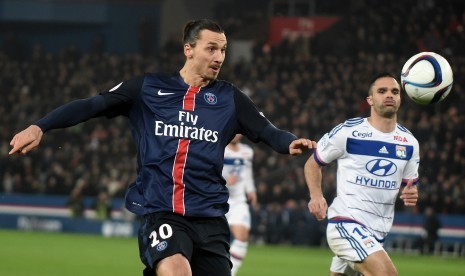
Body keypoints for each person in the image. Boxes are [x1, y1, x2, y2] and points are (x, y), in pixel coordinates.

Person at [9, 19, 316, 276]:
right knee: (176, 271)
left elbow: (267, 131)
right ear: (188, 49)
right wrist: (40, 126)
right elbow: (93, 105)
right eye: (211, 48)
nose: (219, 57)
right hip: (163, 211)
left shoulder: (230, 98)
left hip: (210, 218)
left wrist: (290, 142)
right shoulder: (148, 88)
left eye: (223, 50)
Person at [304, 73, 420, 276]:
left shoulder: (409, 142)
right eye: (382, 91)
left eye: (394, 91)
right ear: (370, 100)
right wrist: (316, 195)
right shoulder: (349, 132)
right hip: (346, 223)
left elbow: (409, 185)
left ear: (401, 98)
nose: (389, 95)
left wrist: (411, 192)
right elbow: (312, 163)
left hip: (378, 232)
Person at [222, 134, 257, 275]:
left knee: (242, 235)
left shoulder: (247, 151)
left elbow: (247, 173)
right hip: (218, 199)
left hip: (238, 201)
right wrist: (224, 180)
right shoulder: (220, 149)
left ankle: (231, 272)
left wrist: (251, 190)